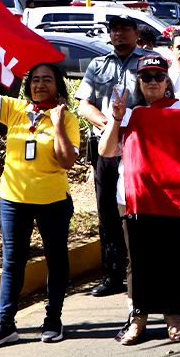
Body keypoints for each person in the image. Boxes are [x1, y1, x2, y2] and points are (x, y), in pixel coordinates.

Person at [0, 32, 79, 348]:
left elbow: (66, 162)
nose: (40, 85)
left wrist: (60, 121)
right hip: (13, 199)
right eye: (35, 80)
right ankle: (5, 324)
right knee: (12, 261)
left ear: (58, 85)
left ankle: (53, 319)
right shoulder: (15, 109)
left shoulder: (67, 118)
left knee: (56, 259)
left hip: (52, 201)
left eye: (47, 80)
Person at [97, 55, 180, 346]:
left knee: (172, 260)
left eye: (158, 77)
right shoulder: (129, 113)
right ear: (138, 81)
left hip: (172, 199)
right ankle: (138, 318)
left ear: (167, 81)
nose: (152, 82)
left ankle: (174, 319)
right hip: (133, 197)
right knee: (137, 261)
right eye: (146, 77)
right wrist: (116, 117)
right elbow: (107, 151)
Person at [76, 15, 145, 298]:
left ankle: (142, 273)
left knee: (140, 211)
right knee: (107, 212)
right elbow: (84, 105)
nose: (119, 34)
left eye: (124, 29)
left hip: (140, 148)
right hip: (106, 148)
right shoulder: (97, 64)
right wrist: (110, 127)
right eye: (114, 30)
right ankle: (112, 275)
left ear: (136, 32)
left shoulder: (148, 62)